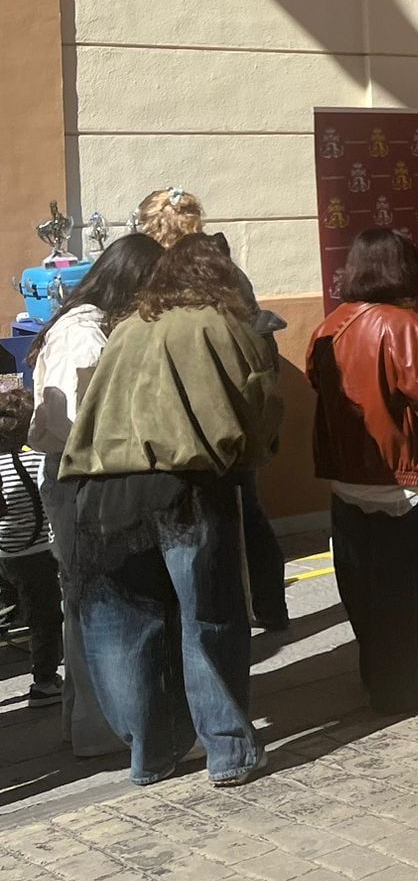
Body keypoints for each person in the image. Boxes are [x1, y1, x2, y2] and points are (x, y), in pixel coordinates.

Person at [62, 234, 280, 786]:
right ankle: (228, 749)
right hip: (186, 487)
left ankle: (149, 756)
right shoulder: (222, 323)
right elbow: (257, 408)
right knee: (208, 617)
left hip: (102, 491)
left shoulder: (128, 326)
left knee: (130, 626)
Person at [307, 228, 418, 715]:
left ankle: (376, 676)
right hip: (403, 476)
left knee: (362, 586)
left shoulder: (330, 324)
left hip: (347, 472)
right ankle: (411, 684)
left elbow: (316, 383)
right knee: (413, 586)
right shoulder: (406, 324)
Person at [25, 233, 163, 753]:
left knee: (91, 603)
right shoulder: (82, 335)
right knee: (95, 603)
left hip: (84, 475)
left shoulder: (86, 326)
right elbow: (65, 423)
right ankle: (103, 726)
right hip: (79, 478)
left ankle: (97, 723)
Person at [131, 188, 289, 632]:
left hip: (187, 406)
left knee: (211, 518)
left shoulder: (159, 274)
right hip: (235, 405)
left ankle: (218, 611)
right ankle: (268, 604)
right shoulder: (224, 266)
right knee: (246, 508)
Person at [0, 381, 62, 707]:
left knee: (8, 612)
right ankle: (45, 681)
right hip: (37, 553)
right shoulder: (37, 461)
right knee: (45, 617)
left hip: (5, 553)